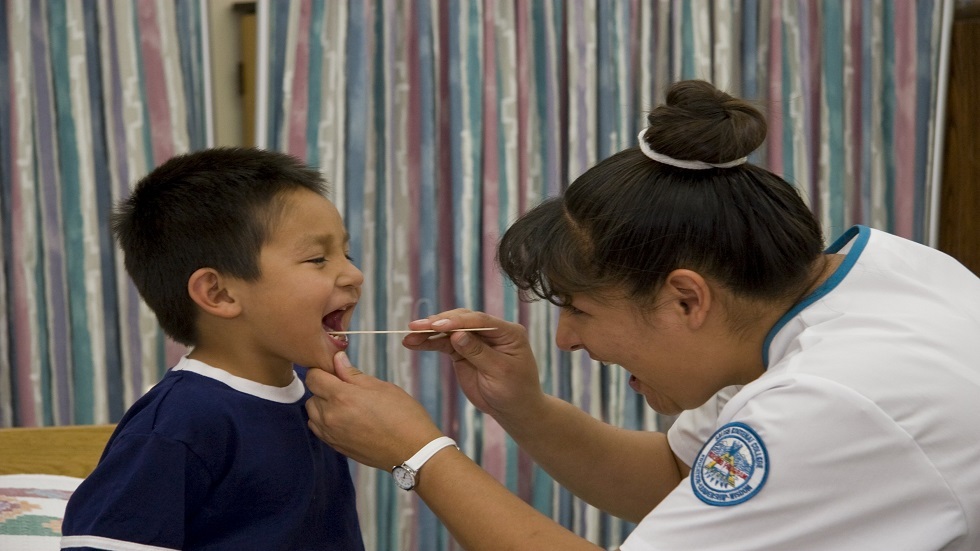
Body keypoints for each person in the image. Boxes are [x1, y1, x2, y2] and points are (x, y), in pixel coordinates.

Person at [304, 79, 980, 550]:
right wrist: (522, 405)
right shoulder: (882, 273)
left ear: (687, 297)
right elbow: (678, 479)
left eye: (581, 310)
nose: (567, 339)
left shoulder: (832, 400)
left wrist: (418, 453)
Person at [61, 148, 366, 551]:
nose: (354, 273)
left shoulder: (321, 395)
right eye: (317, 258)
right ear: (218, 293)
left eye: (346, 253)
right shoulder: (178, 425)